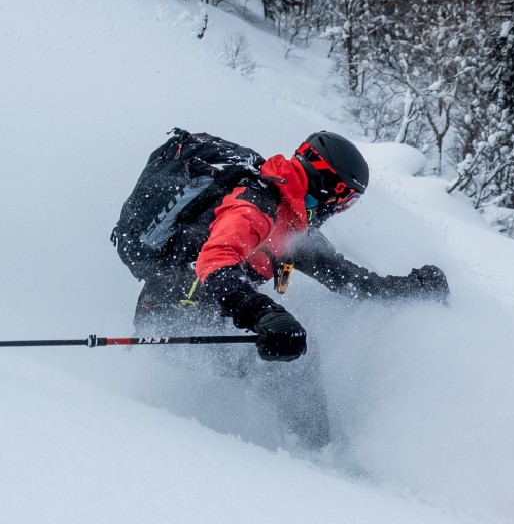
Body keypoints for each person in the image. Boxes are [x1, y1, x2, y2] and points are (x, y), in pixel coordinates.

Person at [133, 130, 449, 361]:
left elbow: (346, 279)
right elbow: (214, 263)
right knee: (285, 373)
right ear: (329, 186)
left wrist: (413, 287)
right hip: (172, 318)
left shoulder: (296, 228)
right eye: (346, 200)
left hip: (213, 319)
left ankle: (307, 450)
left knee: (297, 365)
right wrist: (265, 313)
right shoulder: (255, 207)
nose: (340, 209)